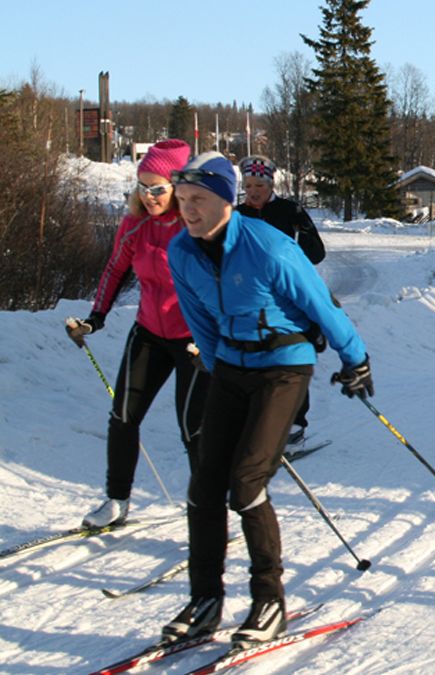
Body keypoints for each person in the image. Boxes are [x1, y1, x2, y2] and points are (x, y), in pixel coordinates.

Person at [163, 152, 373, 648]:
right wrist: (216, 365)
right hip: (231, 365)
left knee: (246, 482)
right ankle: (205, 599)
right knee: (204, 483)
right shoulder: (182, 251)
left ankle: (269, 601)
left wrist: (355, 358)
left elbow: (320, 304)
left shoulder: (269, 247)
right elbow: (199, 320)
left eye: (199, 199)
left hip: (283, 364)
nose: (188, 209)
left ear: (225, 201)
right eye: (182, 199)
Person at [65, 138, 209, 529]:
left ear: (178, 187)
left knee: (192, 427)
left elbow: (220, 283)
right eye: (142, 187)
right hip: (149, 332)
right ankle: (117, 500)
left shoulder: (196, 227)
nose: (148, 196)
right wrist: (96, 317)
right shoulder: (136, 224)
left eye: (157, 189)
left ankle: (210, 509)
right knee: (123, 416)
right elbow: (115, 269)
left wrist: (213, 334)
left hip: (193, 340)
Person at [235, 155, 326, 450]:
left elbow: (317, 253)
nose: (253, 192)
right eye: (248, 186)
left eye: (259, 185)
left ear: (270, 185)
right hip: (250, 298)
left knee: (291, 357)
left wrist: (300, 241)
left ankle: (295, 424)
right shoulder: (237, 215)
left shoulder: (289, 210)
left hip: (288, 297)